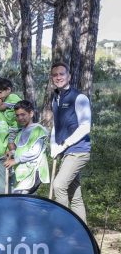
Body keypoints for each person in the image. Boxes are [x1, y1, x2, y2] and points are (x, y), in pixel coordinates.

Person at [49, 62, 91, 221]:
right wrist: (54, 146)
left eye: (62, 74)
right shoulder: (56, 98)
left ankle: (64, 227)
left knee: (59, 185)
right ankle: (83, 233)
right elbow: (56, 125)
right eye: (55, 75)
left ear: (69, 76)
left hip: (78, 151)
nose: (58, 77)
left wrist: (65, 144)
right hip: (66, 153)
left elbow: (85, 127)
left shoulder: (79, 97)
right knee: (75, 195)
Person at [4, 100, 50, 194]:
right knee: (28, 201)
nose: (20, 118)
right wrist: (12, 153)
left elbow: (34, 152)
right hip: (25, 173)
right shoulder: (21, 132)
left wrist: (15, 160)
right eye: (17, 115)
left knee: (19, 197)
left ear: (31, 113)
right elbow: (20, 150)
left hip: (34, 171)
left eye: (23, 114)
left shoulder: (38, 129)